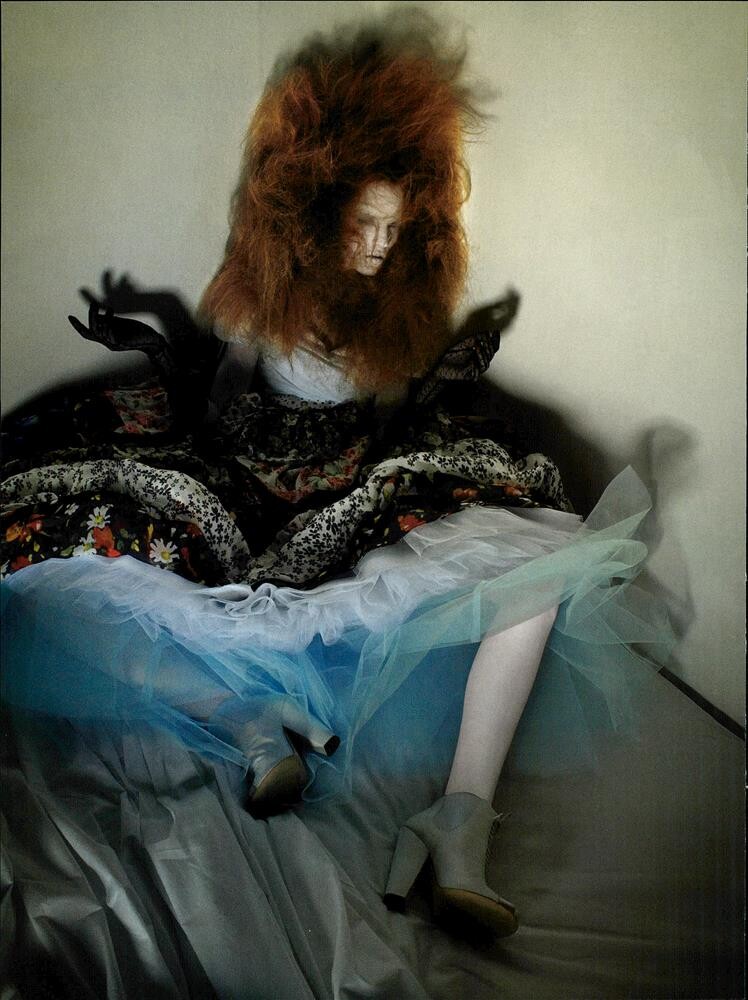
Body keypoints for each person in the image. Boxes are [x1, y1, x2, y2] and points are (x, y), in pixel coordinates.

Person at [0, 14, 671, 940]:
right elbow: (212, 395)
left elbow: (394, 417)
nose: (380, 246)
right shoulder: (266, 290)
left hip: (356, 474)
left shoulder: (399, 301)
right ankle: (240, 713)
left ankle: (463, 812)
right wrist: (150, 346)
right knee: (45, 566)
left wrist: (445, 380)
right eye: (364, 226)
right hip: (244, 467)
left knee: (539, 563)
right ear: (320, 218)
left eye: (396, 228)